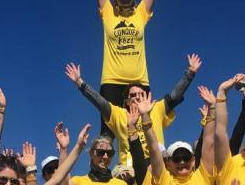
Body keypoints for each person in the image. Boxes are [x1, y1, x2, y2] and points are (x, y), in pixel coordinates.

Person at [77, 0, 183, 114]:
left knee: (142, 135)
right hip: (111, 82)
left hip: (140, 83)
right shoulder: (108, 12)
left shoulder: (141, 13)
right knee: (107, 138)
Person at [64, 57, 198, 166]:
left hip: (156, 163)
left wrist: (190, 74)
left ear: (147, 96)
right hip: (128, 169)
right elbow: (100, 102)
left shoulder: (156, 108)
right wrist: (81, 83)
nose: (137, 97)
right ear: (127, 101)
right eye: (133, 95)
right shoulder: (119, 114)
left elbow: (175, 96)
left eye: (141, 94)